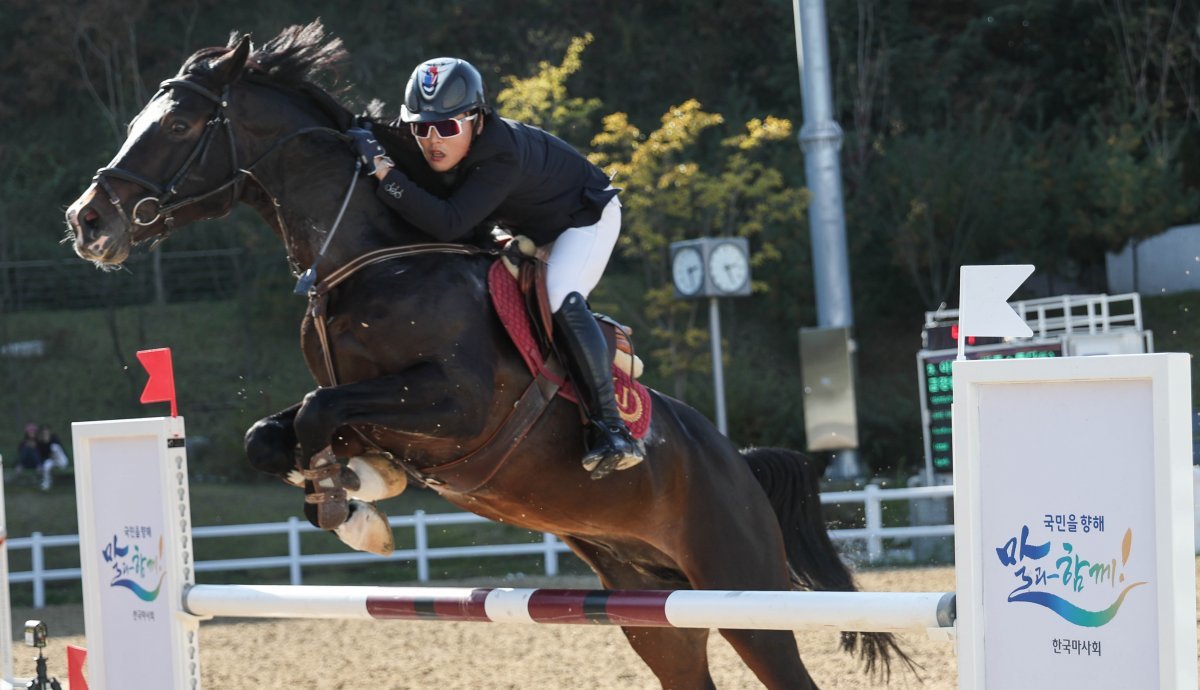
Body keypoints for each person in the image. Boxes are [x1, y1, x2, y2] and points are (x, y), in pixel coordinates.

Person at [346, 57, 642, 478]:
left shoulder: (502, 153)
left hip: (583, 219)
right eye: (421, 129)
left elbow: (448, 222)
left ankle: (611, 430)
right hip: (528, 224)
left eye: (446, 127)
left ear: (477, 119)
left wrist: (383, 174)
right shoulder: (444, 137)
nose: (433, 140)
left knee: (559, 294)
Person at [34, 425, 69, 491]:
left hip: (61, 460)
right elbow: (42, 456)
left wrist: (53, 454)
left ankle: (51, 480)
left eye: (46, 431)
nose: (45, 433)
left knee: (54, 447)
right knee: (46, 465)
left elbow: (59, 449)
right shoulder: (41, 443)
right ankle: (46, 483)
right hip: (51, 461)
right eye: (44, 432)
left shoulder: (54, 438)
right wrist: (40, 464)